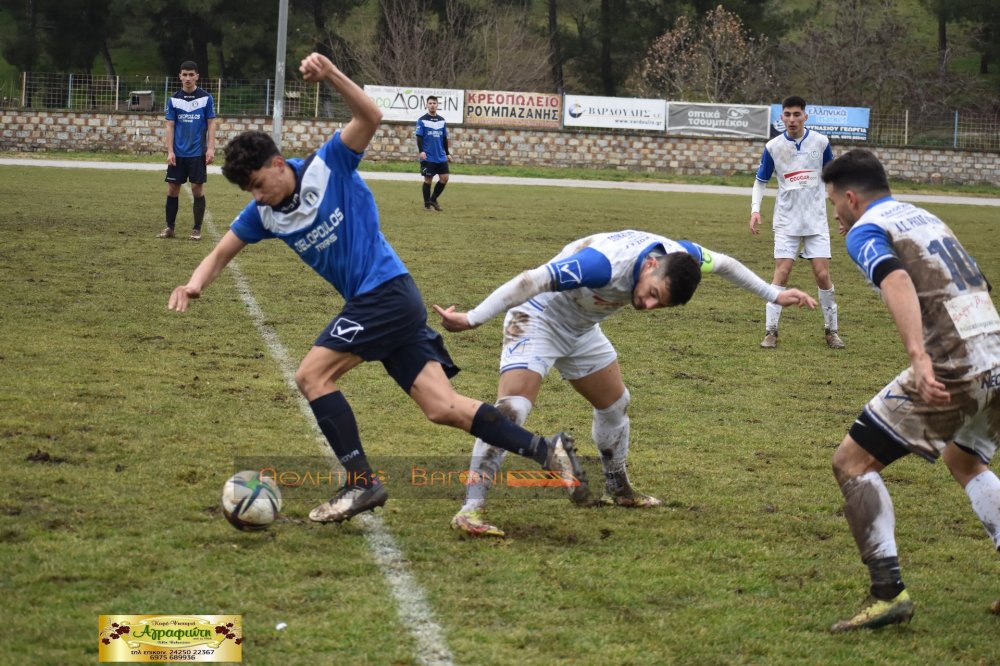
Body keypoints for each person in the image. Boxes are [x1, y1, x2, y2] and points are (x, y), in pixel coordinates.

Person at [167, 53, 586, 524]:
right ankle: (547, 452)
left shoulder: (331, 165)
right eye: (251, 192)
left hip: (384, 294)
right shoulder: (263, 213)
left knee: (311, 376)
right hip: (388, 303)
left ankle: (359, 483)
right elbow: (221, 252)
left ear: (280, 164)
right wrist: (195, 283)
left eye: (261, 184)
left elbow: (372, 115)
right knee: (442, 407)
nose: (259, 196)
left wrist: (331, 76)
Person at [434, 229, 818, 537]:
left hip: (583, 329)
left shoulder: (683, 256)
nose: (648, 307)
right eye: (652, 294)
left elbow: (728, 263)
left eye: (660, 305)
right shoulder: (600, 266)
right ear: (651, 264)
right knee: (513, 409)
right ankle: (471, 508)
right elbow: (532, 279)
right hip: (539, 318)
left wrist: (774, 294)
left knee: (616, 405)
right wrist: (472, 318)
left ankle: (619, 489)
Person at [822, 148, 1000, 632]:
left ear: (852, 197)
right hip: (996, 354)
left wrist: (921, 357)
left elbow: (896, 278)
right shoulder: (924, 216)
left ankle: (888, 593)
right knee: (964, 460)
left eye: (833, 202)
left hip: (953, 365)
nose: (834, 213)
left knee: (852, 464)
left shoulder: (864, 229)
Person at [749, 95, 844, 349]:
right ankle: (771, 331)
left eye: (796, 114)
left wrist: (841, 210)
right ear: (782, 117)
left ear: (805, 116)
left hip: (815, 220)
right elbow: (761, 181)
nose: (792, 119)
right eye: (787, 115)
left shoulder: (821, 142)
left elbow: (832, 179)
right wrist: (755, 210)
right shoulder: (773, 147)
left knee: (822, 275)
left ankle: (831, 331)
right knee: (782, 273)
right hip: (786, 221)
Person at [159, 60, 217, 241]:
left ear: (197, 76)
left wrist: (211, 148)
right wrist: (170, 151)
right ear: (180, 76)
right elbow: (170, 126)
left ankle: (196, 229)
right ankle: (170, 227)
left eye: (191, 75)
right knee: (172, 189)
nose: (188, 78)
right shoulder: (174, 99)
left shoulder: (206, 98)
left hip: (198, 152)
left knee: (197, 190)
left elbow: (211, 123)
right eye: (184, 74)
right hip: (178, 153)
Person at [416, 96, 449, 211]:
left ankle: (433, 199)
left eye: (434, 103)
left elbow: (444, 138)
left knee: (444, 178)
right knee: (428, 180)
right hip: (428, 156)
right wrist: (421, 151)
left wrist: (447, 153)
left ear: (437, 105)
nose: (432, 105)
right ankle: (427, 205)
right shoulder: (422, 120)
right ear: (426, 105)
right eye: (430, 103)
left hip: (440, 156)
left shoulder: (442, 120)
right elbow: (419, 137)